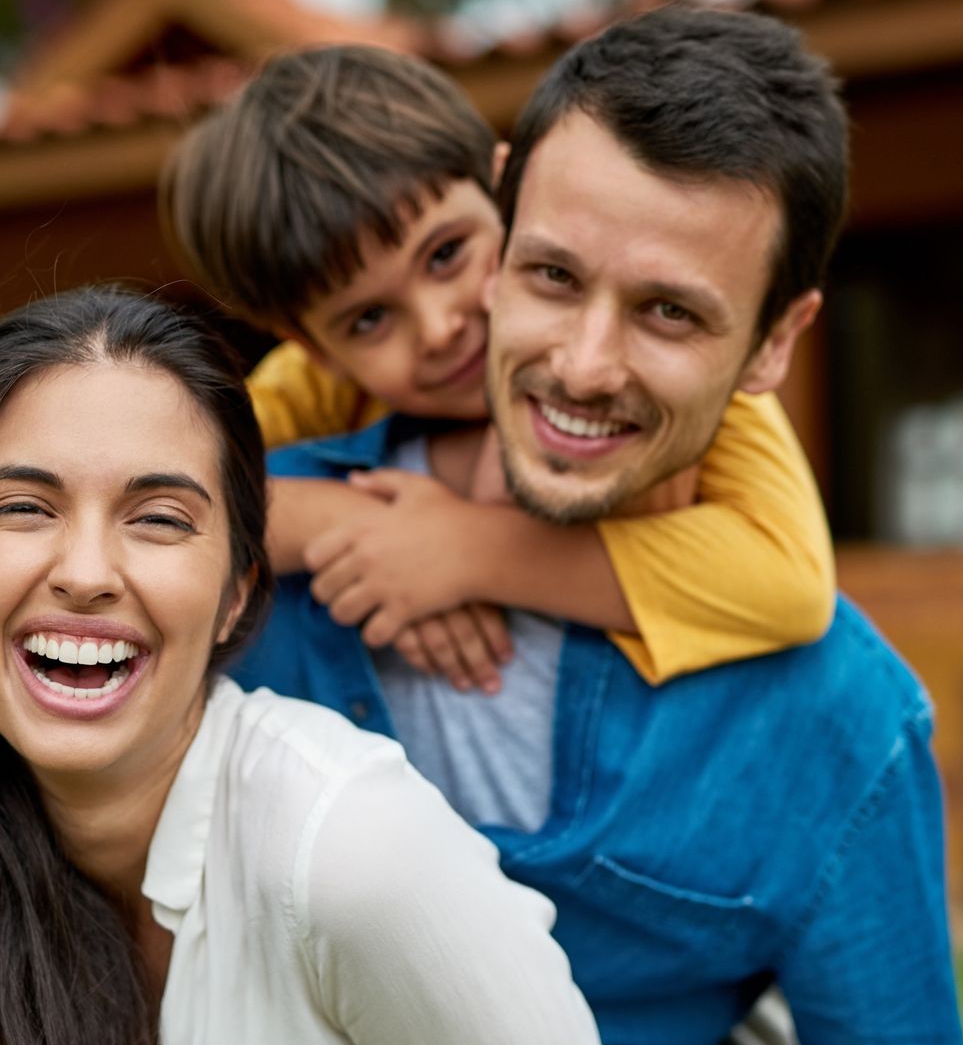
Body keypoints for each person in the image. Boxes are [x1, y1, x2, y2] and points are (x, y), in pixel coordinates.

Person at [227, 6, 963, 1045]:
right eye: (550, 275)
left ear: (777, 344)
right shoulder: (243, 546)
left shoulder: (836, 723)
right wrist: (313, 521)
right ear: (507, 214)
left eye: (670, 311)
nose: (585, 363)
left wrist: (470, 552)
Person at [0, 285, 670, 1045]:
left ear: (237, 587)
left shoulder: (349, 852)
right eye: (23, 508)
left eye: (159, 518)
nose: (85, 572)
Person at [161, 44, 837, 695]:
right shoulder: (315, 386)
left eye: (447, 253)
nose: (438, 326)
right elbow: (149, 494)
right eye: (369, 319)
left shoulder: (676, 375)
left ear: (508, 192)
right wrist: (357, 529)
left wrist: (471, 553)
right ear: (317, 349)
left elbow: (790, 581)